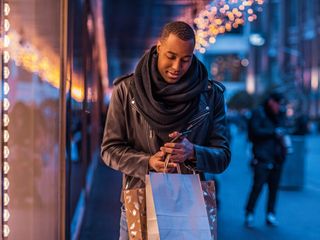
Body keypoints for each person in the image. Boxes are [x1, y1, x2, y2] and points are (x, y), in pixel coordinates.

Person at [101, 21, 231, 239]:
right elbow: (109, 150)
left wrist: (194, 153)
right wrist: (148, 163)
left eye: (185, 59)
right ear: (158, 47)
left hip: (190, 209)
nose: (177, 67)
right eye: (171, 56)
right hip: (139, 202)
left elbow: (223, 156)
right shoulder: (126, 91)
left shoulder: (210, 95)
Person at [245, 91, 289, 228]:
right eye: (278, 104)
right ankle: (249, 213)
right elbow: (253, 133)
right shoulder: (259, 113)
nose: (280, 107)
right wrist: (273, 133)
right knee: (257, 186)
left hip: (278, 157)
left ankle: (271, 214)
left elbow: (284, 128)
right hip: (262, 156)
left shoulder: (280, 114)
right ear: (271, 102)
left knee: (274, 188)